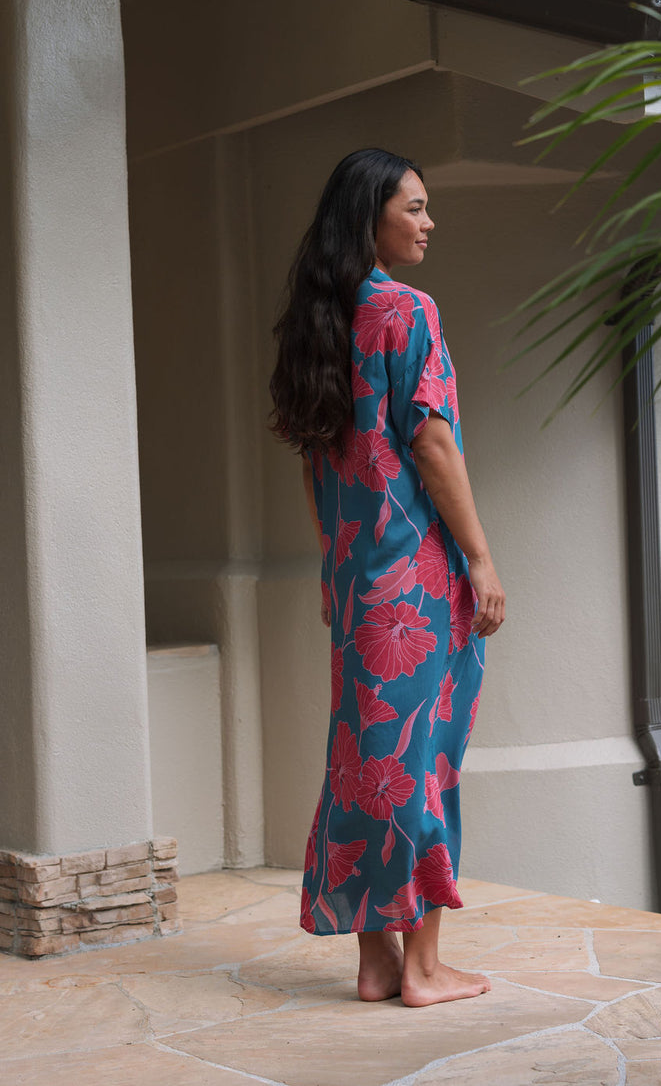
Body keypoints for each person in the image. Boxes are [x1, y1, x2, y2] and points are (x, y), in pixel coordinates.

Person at [270, 148, 505, 1007]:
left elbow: (310, 458)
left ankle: (374, 960)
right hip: (415, 576)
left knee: (364, 762)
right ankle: (424, 967)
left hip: (354, 576)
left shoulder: (315, 319)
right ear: (370, 215)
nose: (427, 221)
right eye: (413, 207)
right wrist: (479, 556)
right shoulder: (407, 311)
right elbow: (432, 442)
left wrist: (335, 563)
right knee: (423, 760)